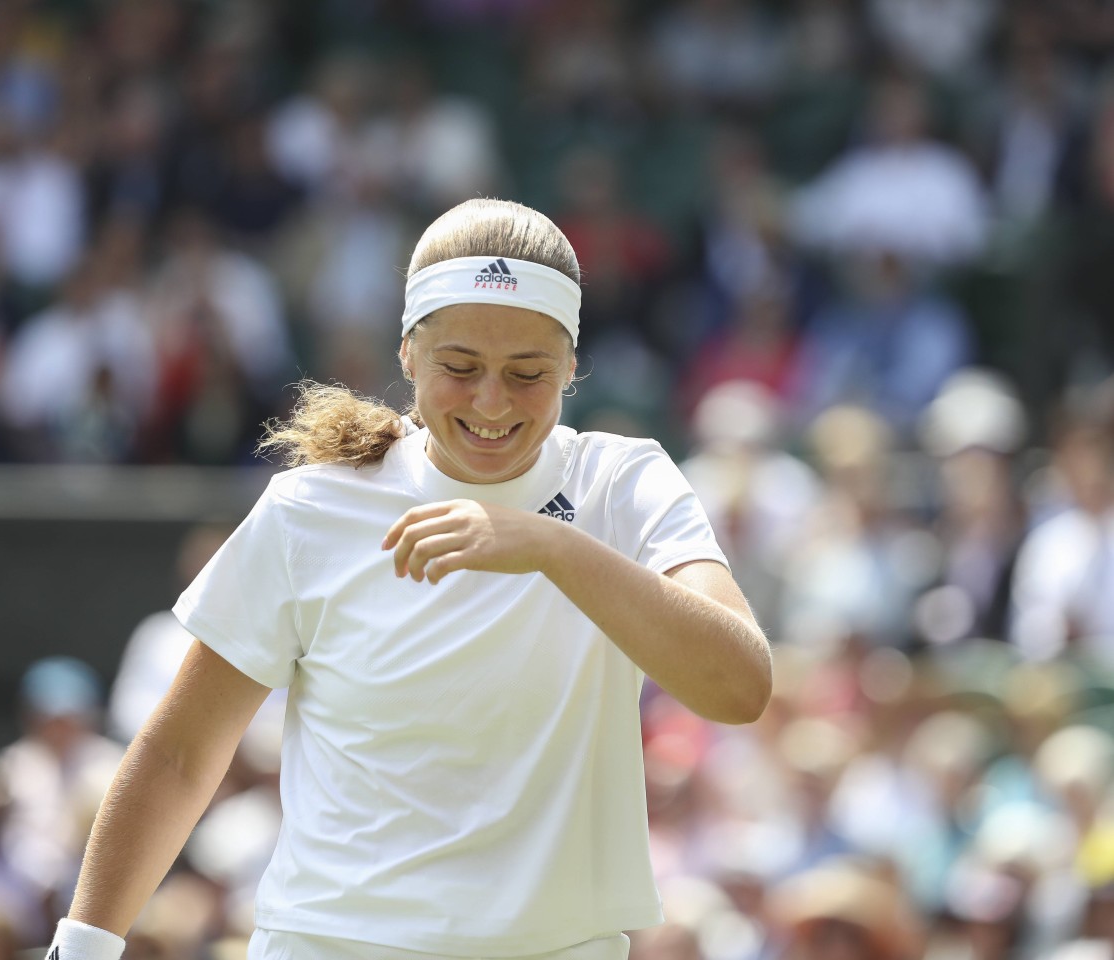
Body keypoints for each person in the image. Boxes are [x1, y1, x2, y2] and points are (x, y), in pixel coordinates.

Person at [46, 198, 772, 960]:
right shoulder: (310, 508)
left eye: (527, 373)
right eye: (459, 368)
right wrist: (84, 946)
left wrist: (550, 547)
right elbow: (180, 753)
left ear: (570, 367)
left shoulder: (625, 484)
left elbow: (739, 685)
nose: (491, 402)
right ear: (407, 356)